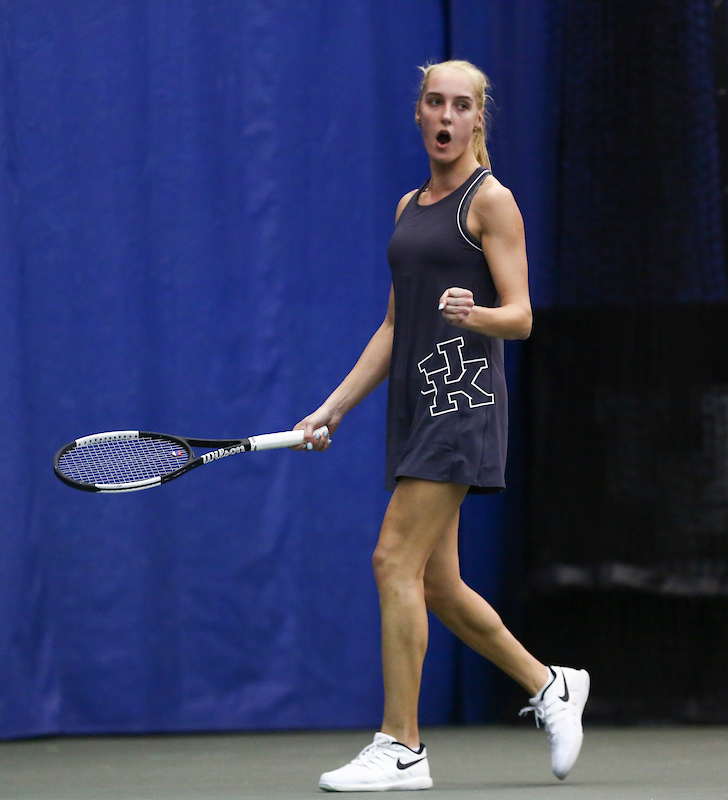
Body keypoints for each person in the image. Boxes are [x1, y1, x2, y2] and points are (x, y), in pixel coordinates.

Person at [295, 60, 589, 792]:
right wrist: (334, 406)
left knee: (392, 559)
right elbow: (396, 326)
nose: (447, 117)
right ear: (420, 113)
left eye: (462, 105)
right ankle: (551, 684)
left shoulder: (492, 202)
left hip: (463, 404)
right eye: (436, 103)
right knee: (437, 583)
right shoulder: (409, 206)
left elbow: (521, 316)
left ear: (478, 118)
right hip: (414, 407)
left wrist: (475, 313)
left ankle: (402, 746)